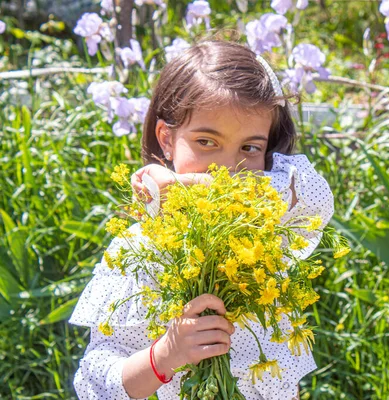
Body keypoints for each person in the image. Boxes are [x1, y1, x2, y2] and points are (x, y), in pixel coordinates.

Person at [69, 39, 335, 400]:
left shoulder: (267, 234)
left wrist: (180, 184)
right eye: (207, 142)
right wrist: (165, 355)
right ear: (166, 138)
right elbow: (95, 383)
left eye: (250, 148)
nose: (228, 167)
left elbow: (313, 192)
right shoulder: (141, 246)